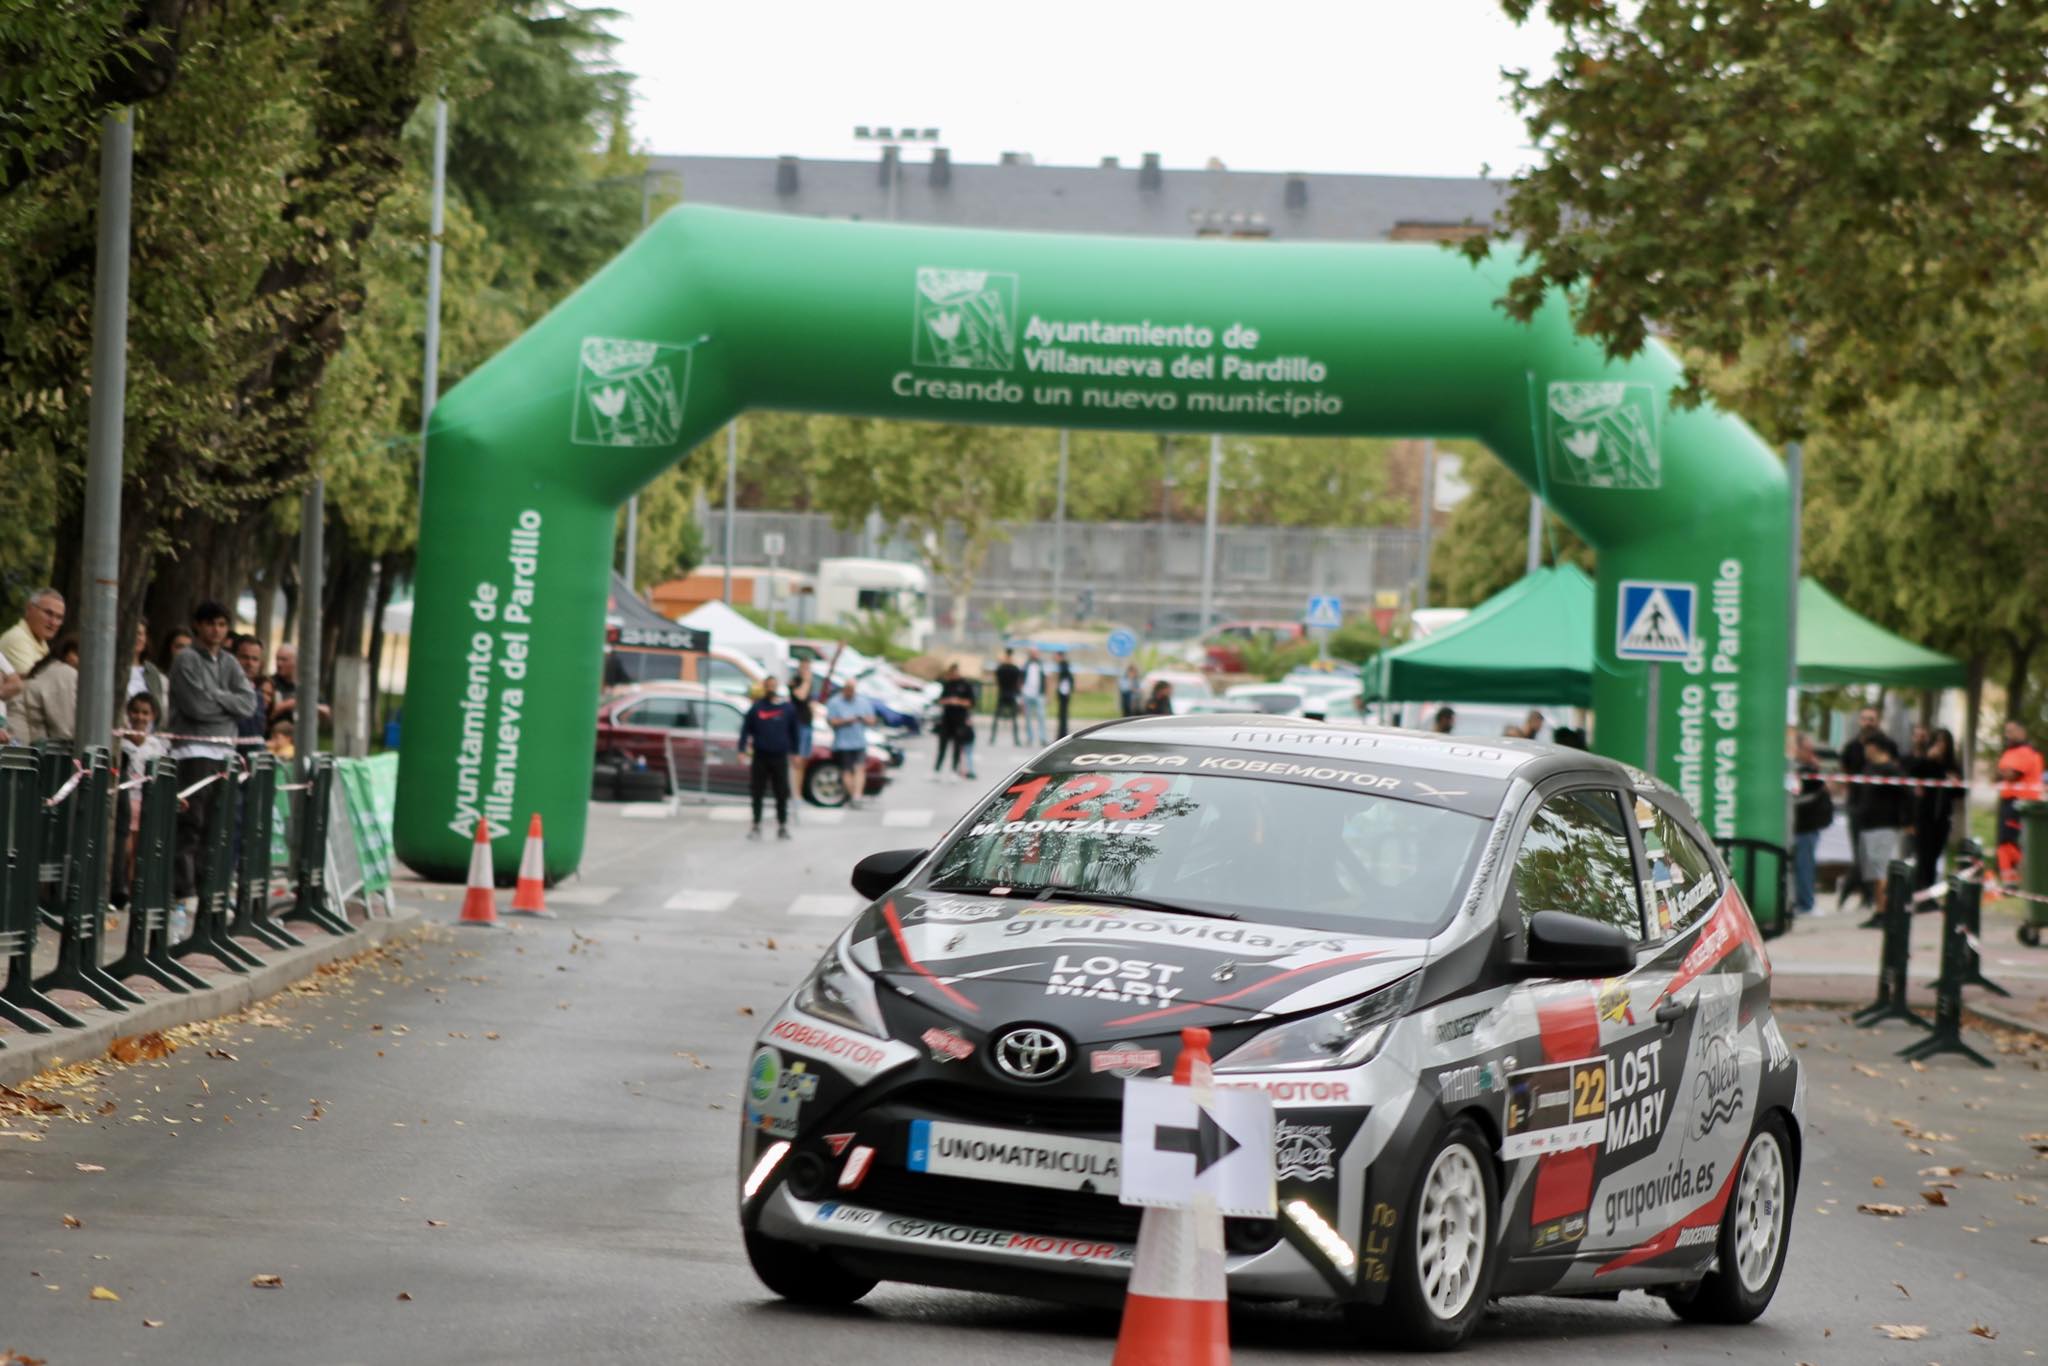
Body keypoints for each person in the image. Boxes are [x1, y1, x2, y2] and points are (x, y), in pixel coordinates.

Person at [164, 601, 257, 898]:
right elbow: (196, 706)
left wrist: (215, 696)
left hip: (224, 754)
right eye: (210, 623)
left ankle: (207, 889)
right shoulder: (186, 660)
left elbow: (248, 704)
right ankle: (183, 890)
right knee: (191, 823)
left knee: (217, 827)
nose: (216, 630)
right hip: (193, 751)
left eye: (221, 624)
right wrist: (226, 703)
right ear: (198, 625)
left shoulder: (229, 662)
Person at [1834, 706, 1887, 912]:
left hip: (1879, 808)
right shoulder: (1851, 747)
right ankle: (1862, 893)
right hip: (1857, 805)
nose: (1868, 723)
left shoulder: (1886, 745)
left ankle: (1861, 892)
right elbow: (1844, 772)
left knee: (1873, 854)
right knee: (1860, 852)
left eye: (1872, 719)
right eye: (1864, 718)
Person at [737, 676, 801, 840]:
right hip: (761, 755)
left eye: (774, 685)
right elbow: (745, 730)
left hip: (780, 756)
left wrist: (796, 753)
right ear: (765, 688)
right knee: (757, 791)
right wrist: (742, 749)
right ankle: (756, 824)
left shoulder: (787, 708)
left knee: (781, 792)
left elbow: (794, 732)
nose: (771, 689)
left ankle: (782, 825)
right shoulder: (757, 708)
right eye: (769, 686)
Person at [1855, 732, 1909, 921]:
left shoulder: (1891, 770)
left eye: (1867, 746)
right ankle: (1879, 909)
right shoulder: (1869, 768)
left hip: (1884, 825)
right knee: (1874, 870)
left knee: (1882, 870)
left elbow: (1907, 795)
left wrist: (1907, 821)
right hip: (1868, 825)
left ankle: (1886, 910)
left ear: (1875, 747)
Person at [1907, 727, 1961, 893]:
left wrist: (1955, 783)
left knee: (1935, 855)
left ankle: (1927, 891)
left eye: (1943, 742)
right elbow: (1912, 774)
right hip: (1924, 816)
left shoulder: (1952, 766)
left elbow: (1960, 792)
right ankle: (1920, 889)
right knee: (1923, 855)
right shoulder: (1925, 762)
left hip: (1942, 817)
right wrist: (1928, 759)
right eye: (1937, 741)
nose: (1940, 745)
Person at [1995, 719, 2044, 884]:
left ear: (2022, 732)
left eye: (2011, 730)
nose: (2007, 734)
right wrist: (2002, 772)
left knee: (2009, 843)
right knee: (2005, 843)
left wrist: (2002, 772)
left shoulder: (2025, 752)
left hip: (2019, 804)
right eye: (2006, 731)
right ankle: (2011, 881)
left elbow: (2011, 774)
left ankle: (2026, 875)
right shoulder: (2011, 752)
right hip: (2010, 802)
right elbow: (2000, 774)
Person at [1791, 731, 1833, 915]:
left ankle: (1805, 902)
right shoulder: (1801, 771)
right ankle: (1805, 903)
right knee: (1804, 865)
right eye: (1807, 749)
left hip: (1808, 825)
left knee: (1805, 864)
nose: (1811, 754)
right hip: (1804, 825)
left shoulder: (1808, 770)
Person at [17, 636, 80, 742]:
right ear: (69, 654)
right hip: (24, 749)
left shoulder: (49, 669)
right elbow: (65, 730)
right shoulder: (64, 673)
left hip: (23, 747)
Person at [0, 587, 64, 677]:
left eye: (59, 617)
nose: (53, 622)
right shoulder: (17, 639)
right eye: (48, 613)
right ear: (29, 609)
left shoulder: (41, 643)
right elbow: (34, 683)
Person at [933, 662, 977, 777]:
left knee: (957, 747)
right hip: (946, 720)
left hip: (960, 720)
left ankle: (954, 770)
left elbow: (971, 703)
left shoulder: (965, 685)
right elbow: (941, 700)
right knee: (942, 747)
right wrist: (948, 701)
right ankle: (936, 770)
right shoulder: (948, 684)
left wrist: (958, 701)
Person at [786, 658, 817, 798]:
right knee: (796, 760)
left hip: (807, 723)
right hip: (798, 724)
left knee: (804, 760)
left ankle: (798, 792)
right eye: (804, 668)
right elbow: (801, 695)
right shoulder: (795, 681)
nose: (807, 671)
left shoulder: (807, 683)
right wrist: (806, 680)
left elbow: (807, 700)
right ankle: (794, 793)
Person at [990, 648, 1023, 745]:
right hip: (1011, 694)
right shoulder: (1015, 668)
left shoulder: (1001, 668)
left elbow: (996, 677)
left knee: (996, 718)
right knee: (1014, 719)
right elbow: (1018, 680)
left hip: (1002, 693)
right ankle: (1016, 740)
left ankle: (992, 738)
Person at [1018, 647, 1047, 746]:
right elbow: (1021, 679)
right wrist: (1021, 694)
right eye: (1033, 653)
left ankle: (1043, 738)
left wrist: (1046, 694)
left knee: (1041, 717)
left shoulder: (1041, 665)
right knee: (1028, 717)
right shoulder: (1026, 665)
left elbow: (1045, 679)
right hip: (1027, 693)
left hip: (1039, 694)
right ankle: (1030, 738)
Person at [1054, 651, 1075, 739]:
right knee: (1062, 715)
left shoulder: (1063, 666)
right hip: (1065, 693)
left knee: (1063, 715)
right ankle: (1062, 733)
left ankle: (1062, 734)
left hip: (1064, 693)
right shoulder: (1064, 666)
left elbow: (1066, 679)